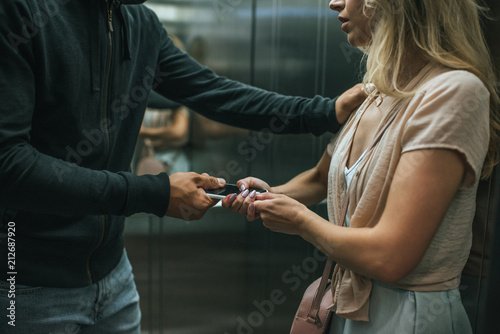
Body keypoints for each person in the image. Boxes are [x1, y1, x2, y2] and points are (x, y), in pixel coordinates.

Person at [0, 0, 366, 333]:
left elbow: (214, 92)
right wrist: (155, 193)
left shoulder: (141, 23)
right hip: (27, 283)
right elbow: (10, 165)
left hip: (113, 276)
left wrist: (325, 111)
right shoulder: (20, 12)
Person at [223, 0, 500, 332]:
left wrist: (300, 222)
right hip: (350, 307)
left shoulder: (452, 92)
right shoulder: (374, 93)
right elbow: (321, 178)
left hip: (408, 314)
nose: (334, 2)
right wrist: (268, 195)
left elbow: (390, 257)